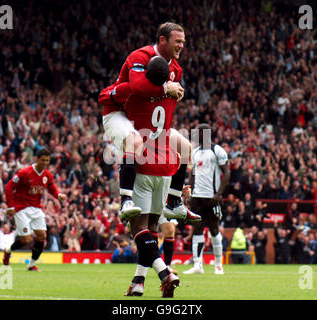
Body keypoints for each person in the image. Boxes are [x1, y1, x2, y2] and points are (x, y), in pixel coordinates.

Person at [98, 22, 199, 225]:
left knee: (186, 148)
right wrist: (165, 90)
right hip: (118, 112)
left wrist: (175, 93)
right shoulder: (140, 56)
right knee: (134, 142)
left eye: (184, 42)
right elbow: (137, 87)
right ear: (162, 40)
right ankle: (126, 200)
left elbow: (163, 96)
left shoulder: (175, 69)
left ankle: (173, 201)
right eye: (177, 41)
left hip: (144, 118)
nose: (181, 46)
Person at [119, 53, 183, 298]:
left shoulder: (136, 96)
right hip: (166, 167)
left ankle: (165, 273)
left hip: (143, 166)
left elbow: (115, 97)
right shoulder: (172, 96)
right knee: (152, 229)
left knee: (138, 228)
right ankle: (138, 282)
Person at [3, 148, 68, 271]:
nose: (44, 163)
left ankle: (31, 264)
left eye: (47, 161)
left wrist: (58, 195)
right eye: (42, 160)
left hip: (37, 208)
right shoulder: (24, 172)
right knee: (26, 240)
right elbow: (8, 187)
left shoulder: (47, 175)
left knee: (42, 236)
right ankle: (8, 251)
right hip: (21, 208)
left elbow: (51, 187)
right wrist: (11, 206)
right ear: (36, 159)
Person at [183, 123, 230, 275]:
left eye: (198, 133)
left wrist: (219, 194)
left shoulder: (217, 150)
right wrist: (189, 195)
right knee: (197, 228)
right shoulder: (195, 152)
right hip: (197, 197)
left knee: (214, 228)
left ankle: (218, 265)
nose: (196, 135)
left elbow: (227, 173)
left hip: (212, 197)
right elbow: (192, 175)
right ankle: (197, 264)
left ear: (206, 133)